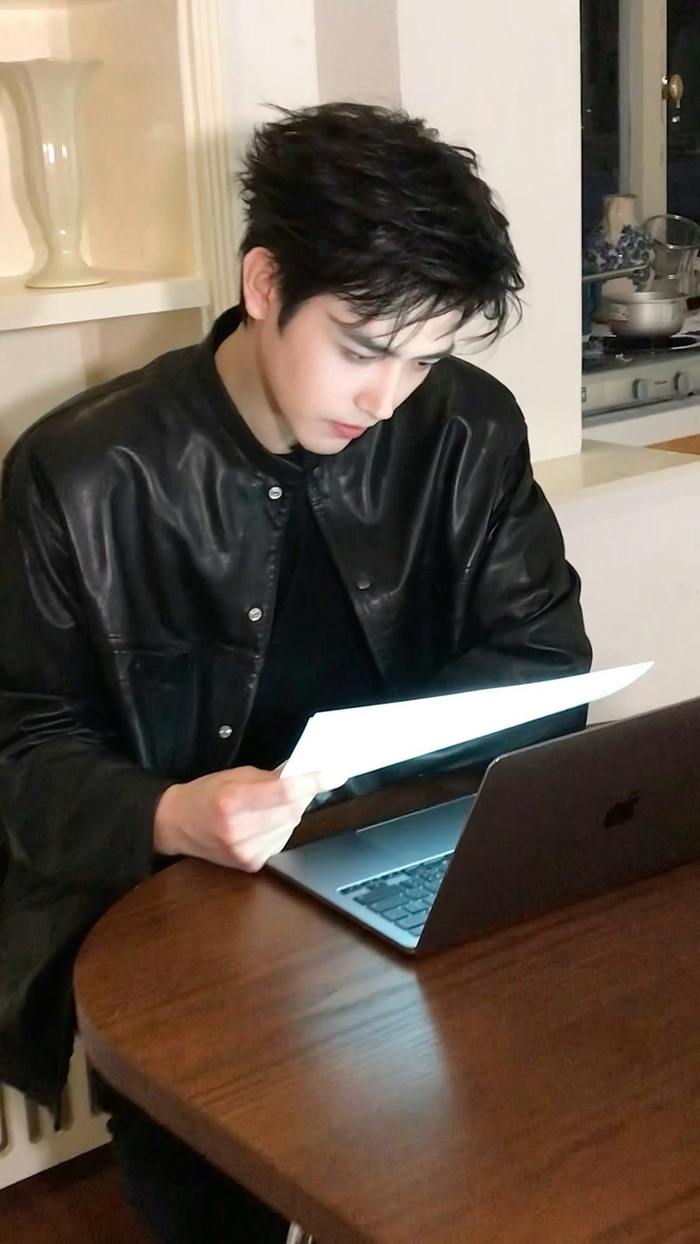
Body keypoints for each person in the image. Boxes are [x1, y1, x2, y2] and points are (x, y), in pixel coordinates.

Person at [0, 102, 591, 1242]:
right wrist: (169, 812)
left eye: (425, 358)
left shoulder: (463, 429)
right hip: (178, 928)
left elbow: (543, 658)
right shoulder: (81, 474)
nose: (386, 399)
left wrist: (356, 779)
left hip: (404, 874)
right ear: (266, 282)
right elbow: (23, 755)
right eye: (363, 348)